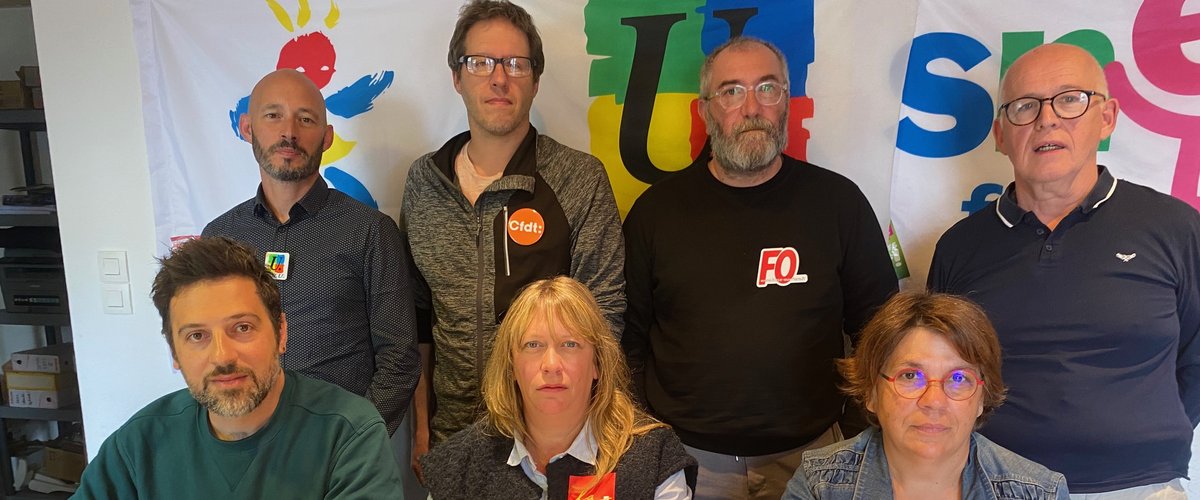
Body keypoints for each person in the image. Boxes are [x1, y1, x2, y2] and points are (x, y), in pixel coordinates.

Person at [621, 36, 898, 500]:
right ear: (705, 110)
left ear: (786, 101)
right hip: (687, 462)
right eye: (731, 91)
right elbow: (626, 340)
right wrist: (649, 441)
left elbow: (882, 330)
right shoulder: (655, 213)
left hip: (816, 457)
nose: (751, 108)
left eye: (767, 88)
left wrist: (851, 433)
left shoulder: (838, 204)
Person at [928, 43, 1199, 498]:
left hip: (1140, 487)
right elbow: (944, 372)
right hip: (995, 485)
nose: (1046, 120)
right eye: (1025, 106)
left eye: (1070, 100)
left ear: (1107, 117)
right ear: (1000, 134)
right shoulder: (959, 247)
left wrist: (1141, 438)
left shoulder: (1174, 227)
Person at [402, 0, 625, 478]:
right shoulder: (424, 183)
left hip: (551, 445)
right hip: (452, 440)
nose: (499, 78)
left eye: (516, 64)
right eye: (480, 63)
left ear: (536, 80)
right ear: (457, 77)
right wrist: (422, 426)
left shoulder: (579, 179)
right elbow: (418, 319)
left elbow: (605, 321)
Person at [73, 237, 403, 499]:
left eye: (242, 328)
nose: (222, 356)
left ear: (281, 333)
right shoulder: (138, 444)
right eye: (197, 336)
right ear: (174, 351)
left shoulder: (348, 433)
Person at [203, 69, 419, 435]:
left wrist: (352, 440)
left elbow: (399, 359)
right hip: (244, 440)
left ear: (327, 136)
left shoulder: (369, 231)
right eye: (273, 115)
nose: (289, 132)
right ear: (247, 128)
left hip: (339, 447)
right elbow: (209, 349)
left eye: (305, 119)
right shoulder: (219, 238)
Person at [420, 277, 695, 498]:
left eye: (570, 344)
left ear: (598, 364)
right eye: (533, 345)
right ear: (511, 365)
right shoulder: (458, 465)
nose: (551, 365)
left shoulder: (653, 457)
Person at [783, 291, 1068, 499]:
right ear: (871, 392)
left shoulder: (1040, 493)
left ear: (982, 397)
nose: (934, 401)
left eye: (959, 378)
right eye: (910, 376)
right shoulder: (819, 486)